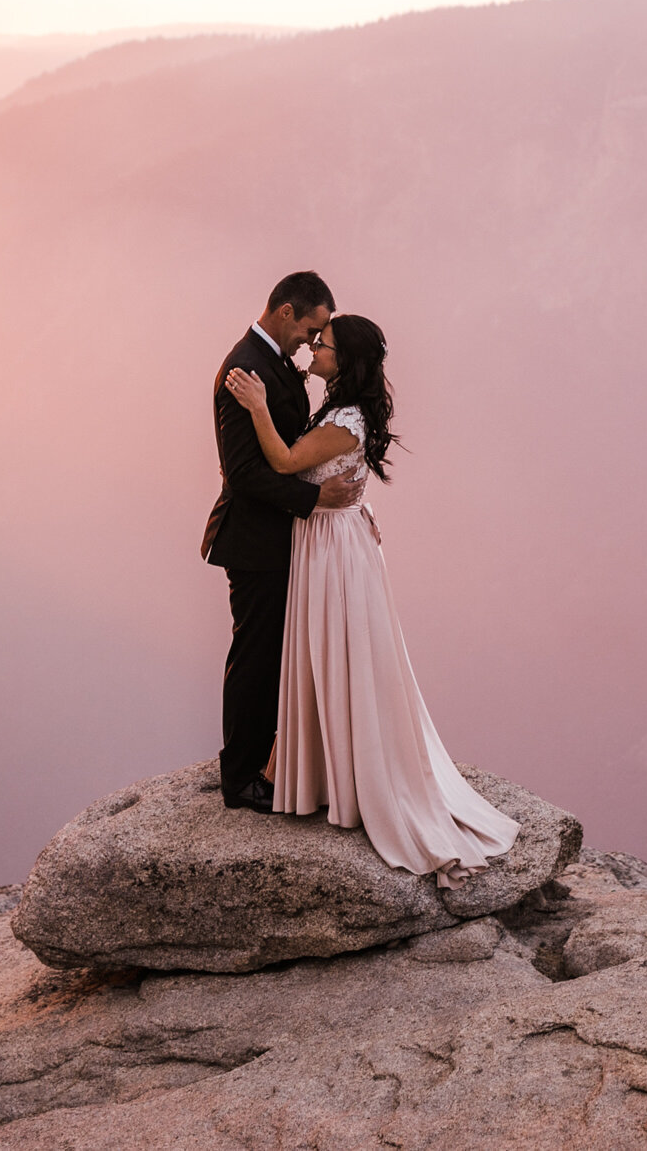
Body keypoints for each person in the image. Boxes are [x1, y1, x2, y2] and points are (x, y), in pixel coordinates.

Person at [224, 313, 519, 883]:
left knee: (342, 652)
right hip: (330, 536)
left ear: (347, 360)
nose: (314, 348)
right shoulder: (343, 411)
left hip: (331, 547)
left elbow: (286, 462)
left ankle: (353, 775)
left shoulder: (345, 418)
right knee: (331, 652)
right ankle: (329, 766)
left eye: (324, 344)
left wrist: (258, 406)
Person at [204, 272, 362, 812]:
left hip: (284, 539)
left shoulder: (272, 363)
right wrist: (315, 502)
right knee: (255, 657)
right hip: (253, 543)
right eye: (311, 330)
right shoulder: (243, 369)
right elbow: (242, 473)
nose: (312, 344)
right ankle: (241, 776)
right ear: (288, 311)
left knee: (277, 656)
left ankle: (272, 764)